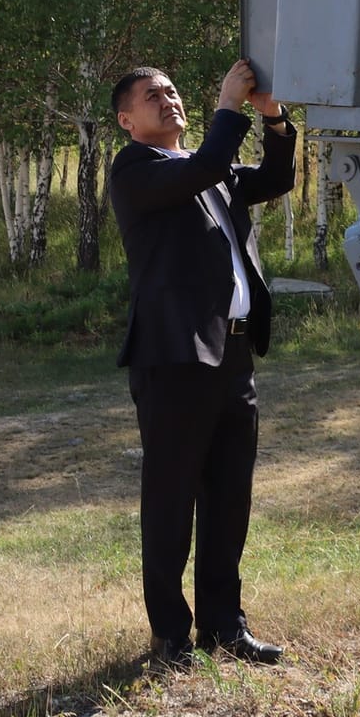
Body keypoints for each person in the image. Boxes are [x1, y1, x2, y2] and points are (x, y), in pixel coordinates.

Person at [108, 60, 295, 670]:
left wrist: (274, 119)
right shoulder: (134, 169)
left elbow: (277, 176)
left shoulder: (207, 169)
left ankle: (224, 626)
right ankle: (170, 636)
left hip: (233, 356)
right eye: (151, 95)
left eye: (171, 90)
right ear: (126, 119)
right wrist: (228, 106)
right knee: (170, 500)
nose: (168, 99)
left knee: (229, 499)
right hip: (175, 358)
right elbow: (207, 165)